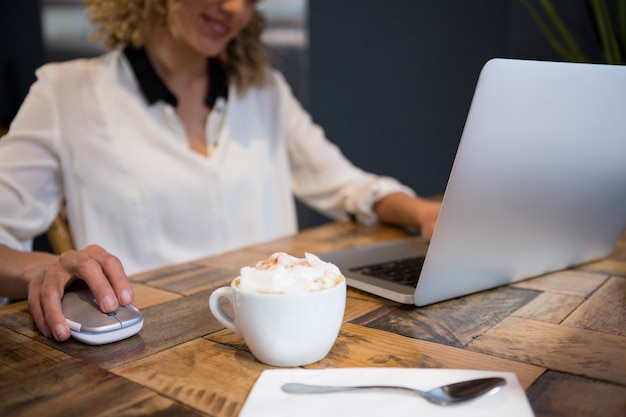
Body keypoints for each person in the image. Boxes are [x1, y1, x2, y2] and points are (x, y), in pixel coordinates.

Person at [0, 0, 440, 341]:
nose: (235, 9)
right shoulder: (64, 94)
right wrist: (44, 269)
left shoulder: (265, 91)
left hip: (281, 339)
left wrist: (423, 213)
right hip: (147, 348)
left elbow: (349, 186)